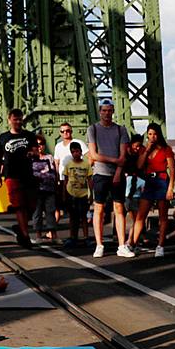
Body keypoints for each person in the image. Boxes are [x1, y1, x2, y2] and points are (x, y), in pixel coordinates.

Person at [87, 98, 131, 257]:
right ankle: (99, 245)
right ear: (100, 112)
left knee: (119, 208)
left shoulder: (121, 130)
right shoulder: (92, 129)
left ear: (113, 111)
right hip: (100, 174)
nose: (107, 113)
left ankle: (121, 245)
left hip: (117, 175)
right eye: (104, 110)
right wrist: (114, 160)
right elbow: (93, 155)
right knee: (98, 209)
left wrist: (118, 171)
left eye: (109, 110)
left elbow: (123, 155)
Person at [127, 123, 175, 257]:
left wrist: (170, 188)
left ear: (158, 134)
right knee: (141, 215)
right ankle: (133, 244)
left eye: (154, 134)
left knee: (162, 215)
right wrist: (147, 150)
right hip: (149, 181)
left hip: (162, 181)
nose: (152, 137)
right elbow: (139, 166)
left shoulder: (166, 149)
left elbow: (172, 169)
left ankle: (160, 245)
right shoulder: (144, 150)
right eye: (149, 134)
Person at [0, 108, 37, 248]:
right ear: (9, 120)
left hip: (28, 174)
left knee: (32, 206)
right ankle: (25, 237)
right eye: (15, 119)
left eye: (20, 119)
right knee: (19, 206)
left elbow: (36, 151)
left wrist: (32, 154)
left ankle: (20, 227)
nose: (18, 122)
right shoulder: (3, 137)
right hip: (11, 175)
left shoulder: (29, 135)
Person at [60, 141, 92, 248]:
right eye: (73, 152)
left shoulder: (86, 164)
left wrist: (90, 194)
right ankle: (73, 237)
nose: (75, 154)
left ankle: (86, 237)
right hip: (71, 194)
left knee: (83, 217)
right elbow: (65, 180)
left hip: (83, 194)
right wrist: (64, 195)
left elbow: (89, 180)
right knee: (73, 217)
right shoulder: (68, 165)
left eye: (77, 151)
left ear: (81, 152)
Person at [53, 123, 85, 224]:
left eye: (67, 131)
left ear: (71, 131)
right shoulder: (58, 146)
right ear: (60, 133)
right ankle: (69, 231)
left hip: (76, 180)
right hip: (63, 180)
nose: (65, 133)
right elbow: (56, 163)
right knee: (66, 206)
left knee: (79, 206)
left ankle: (83, 231)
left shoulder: (78, 142)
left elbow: (88, 157)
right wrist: (57, 178)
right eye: (62, 131)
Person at [30, 137, 58, 242]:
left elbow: (53, 173)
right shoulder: (31, 158)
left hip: (49, 189)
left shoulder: (49, 157)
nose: (39, 146)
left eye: (41, 144)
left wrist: (57, 186)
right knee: (37, 213)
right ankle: (38, 236)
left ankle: (54, 235)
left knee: (50, 212)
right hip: (36, 191)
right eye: (37, 144)